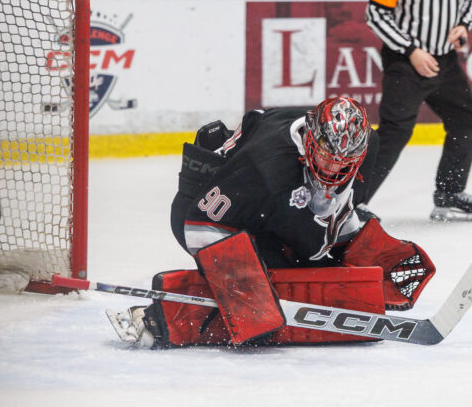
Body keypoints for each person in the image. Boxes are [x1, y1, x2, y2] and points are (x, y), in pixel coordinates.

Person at [108, 97, 438, 348]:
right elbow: (199, 223)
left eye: (343, 162)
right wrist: (241, 287)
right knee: (266, 303)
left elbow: (334, 203)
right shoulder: (264, 169)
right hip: (213, 212)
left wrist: (353, 239)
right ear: (312, 136)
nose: (332, 168)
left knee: (313, 259)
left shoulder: (367, 145)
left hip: (270, 204)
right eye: (325, 155)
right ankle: (154, 320)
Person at [362, 0, 472, 222]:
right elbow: (376, 13)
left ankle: (449, 193)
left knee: (466, 119)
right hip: (406, 62)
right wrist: (411, 50)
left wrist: (463, 25)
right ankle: (350, 205)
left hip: (444, 60)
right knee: (395, 132)